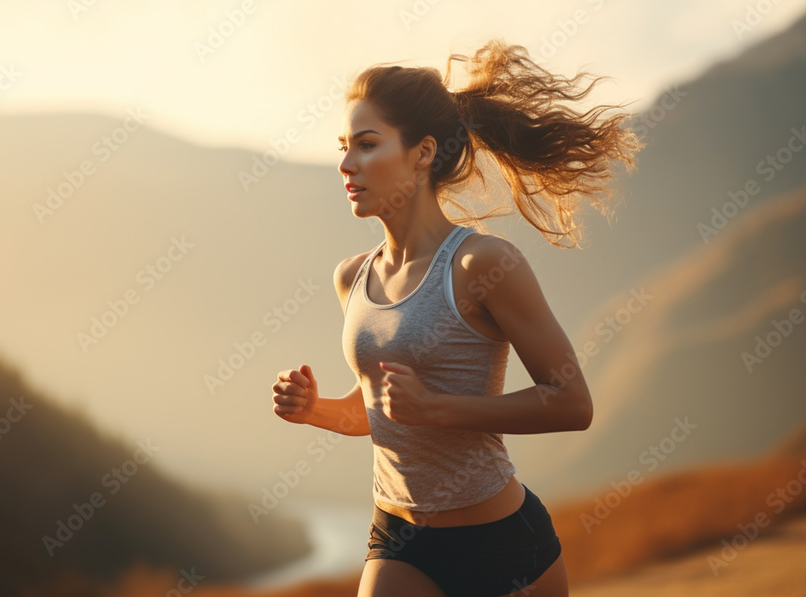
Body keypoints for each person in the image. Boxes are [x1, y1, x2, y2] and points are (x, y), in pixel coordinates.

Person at [271, 38, 640, 597]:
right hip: (398, 538)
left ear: (422, 153)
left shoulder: (482, 264)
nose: (346, 164)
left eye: (367, 145)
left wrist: (439, 408)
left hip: (500, 544)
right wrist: (313, 410)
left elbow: (572, 403)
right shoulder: (352, 277)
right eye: (344, 146)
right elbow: (380, 413)